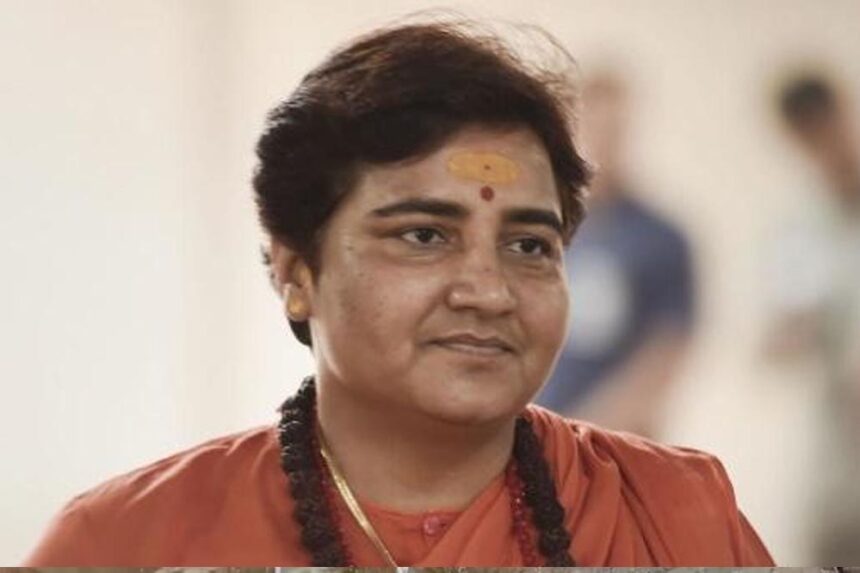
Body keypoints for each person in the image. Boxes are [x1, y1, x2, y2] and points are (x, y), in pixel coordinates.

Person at [24, 21, 773, 567]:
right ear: (295, 272)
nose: (489, 291)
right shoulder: (127, 542)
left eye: (528, 246)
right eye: (424, 235)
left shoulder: (677, 517)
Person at [535, 72, 695, 438]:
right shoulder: (541, 229)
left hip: (615, 440)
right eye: (593, 131)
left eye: (614, 132)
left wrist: (587, 429)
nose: (602, 147)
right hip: (535, 434)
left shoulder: (661, 239)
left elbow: (666, 351)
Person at [763, 71, 860, 564]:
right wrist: (789, 335)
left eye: (828, 127)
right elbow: (779, 339)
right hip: (842, 453)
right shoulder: (802, 229)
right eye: (808, 137)